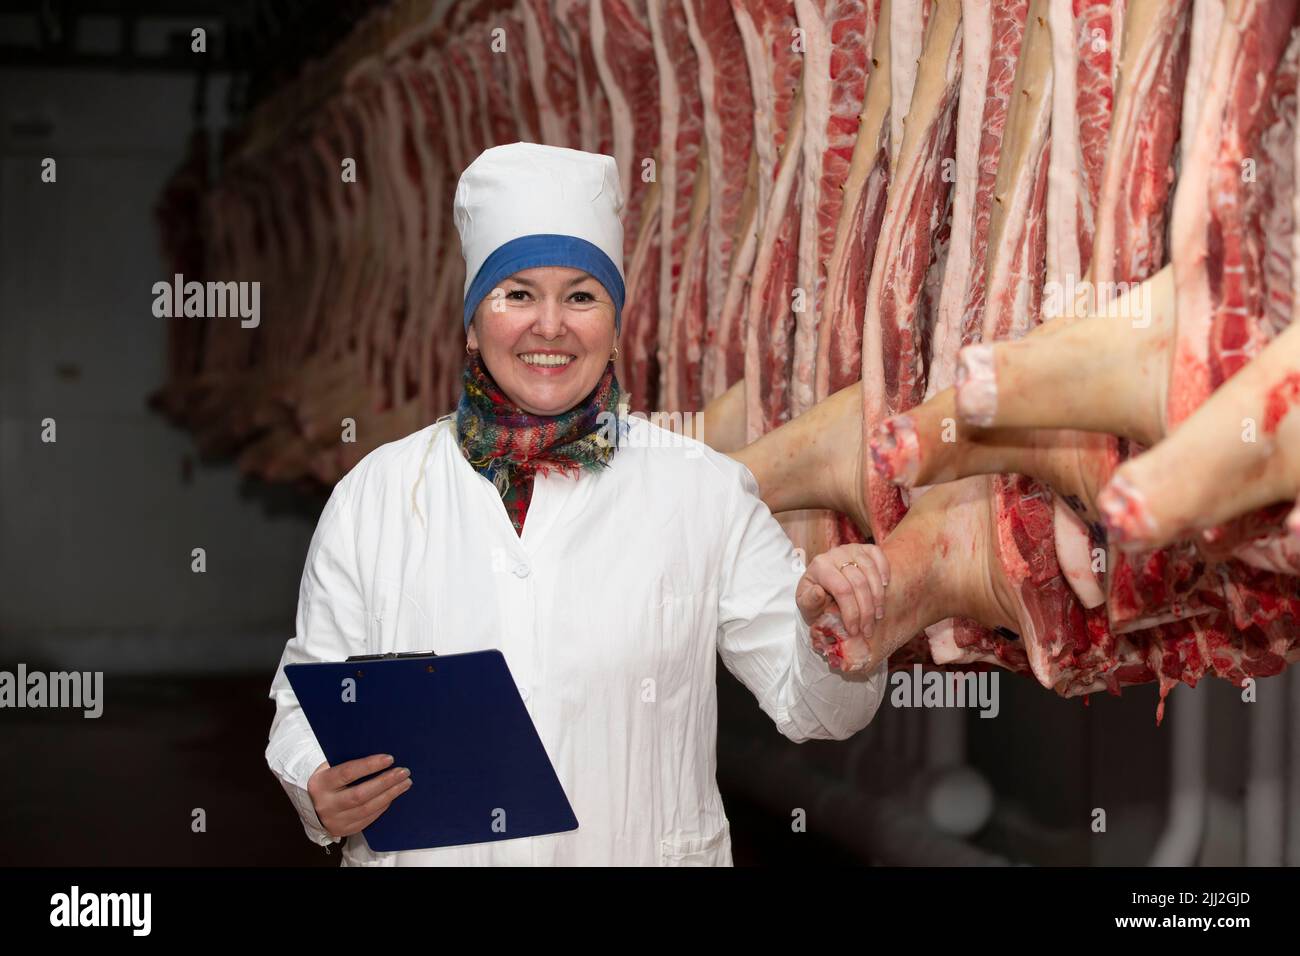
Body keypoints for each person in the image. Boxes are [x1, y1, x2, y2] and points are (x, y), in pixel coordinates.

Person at [265, 141, 890, 866]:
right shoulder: (374, 495)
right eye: (518, 293)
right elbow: (305, 701)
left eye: (582, 295)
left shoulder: (700, 489)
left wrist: (832, 631)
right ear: (472, 324)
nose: (551, 325)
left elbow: (816, 709)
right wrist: (315, 783)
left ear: (617, 327)